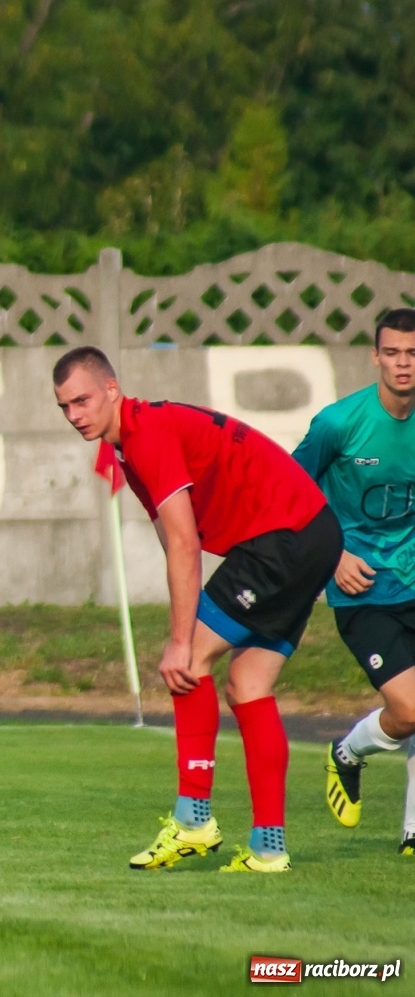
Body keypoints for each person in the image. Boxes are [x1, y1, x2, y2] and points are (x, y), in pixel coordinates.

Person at [52, 346, 341, 873]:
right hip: (309, 533)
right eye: (65, 407)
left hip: (282, 538)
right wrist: (184, 624)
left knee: (187, 664)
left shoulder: (147, 434)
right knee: (248, 685)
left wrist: (181, 638)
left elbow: (185, 545)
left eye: (82, 400)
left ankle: (194, 820)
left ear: (112, 389)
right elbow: (172, 539)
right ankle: (268, 849)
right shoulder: (128, 443)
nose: (75, 415)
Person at [293, 308, 415, 853]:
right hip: (364, 593)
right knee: (410, 709)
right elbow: (290, 491)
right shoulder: (339, 424)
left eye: (412, 353)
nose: (403, 363)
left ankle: (413, 831)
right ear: (375, 356)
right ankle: (348, 751)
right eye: (392, 352)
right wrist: (333, 554)